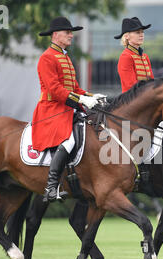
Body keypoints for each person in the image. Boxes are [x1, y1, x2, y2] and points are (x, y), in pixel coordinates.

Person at [33, 16, 105, 202]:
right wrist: (80, 98)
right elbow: (55, 90)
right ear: (56, 35)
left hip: (67, 107)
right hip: (52, 109)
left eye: (71, 33)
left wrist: (91, 96)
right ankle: (50, 187)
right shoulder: (47, 58)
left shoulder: (65, 57)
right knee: (69, 141)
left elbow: (74, 88)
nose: (71, 36)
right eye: (68, 32)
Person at [114, 17, 154, 93]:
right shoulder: (126, 56)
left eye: (142, 32)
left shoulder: (145, 57)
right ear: (127, 36)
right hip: (132, 101)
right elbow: (131, 86)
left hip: (147, 97)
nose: (141, 35)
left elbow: (151, 82)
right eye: (137, 32)